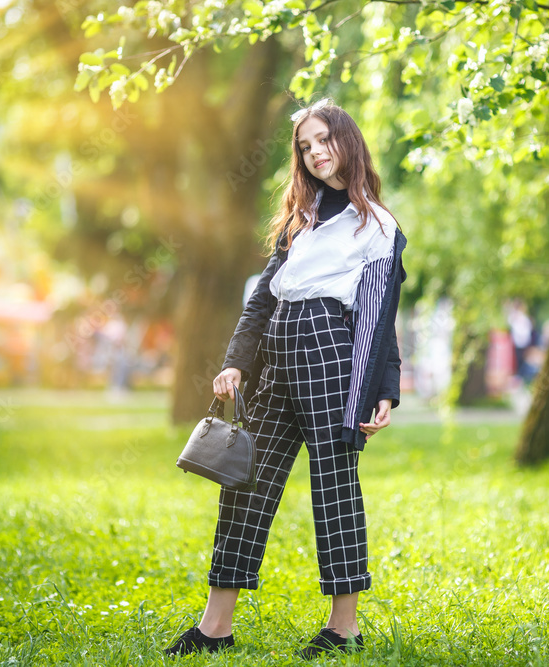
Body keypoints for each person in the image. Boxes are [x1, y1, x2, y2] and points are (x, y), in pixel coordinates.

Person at [163, 98, 407, 659]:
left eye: (325, 140)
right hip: (277, 359)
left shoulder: (378, 226)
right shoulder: (299, 222)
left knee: (334, 489)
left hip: (333, 361)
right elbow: (260, 303)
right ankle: (214, 628)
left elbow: (378, 318)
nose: (317, 153)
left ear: (347, 141)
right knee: (244, 482)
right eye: (305, 146)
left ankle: (343, 629)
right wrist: (235, 362)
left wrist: (382, 392)